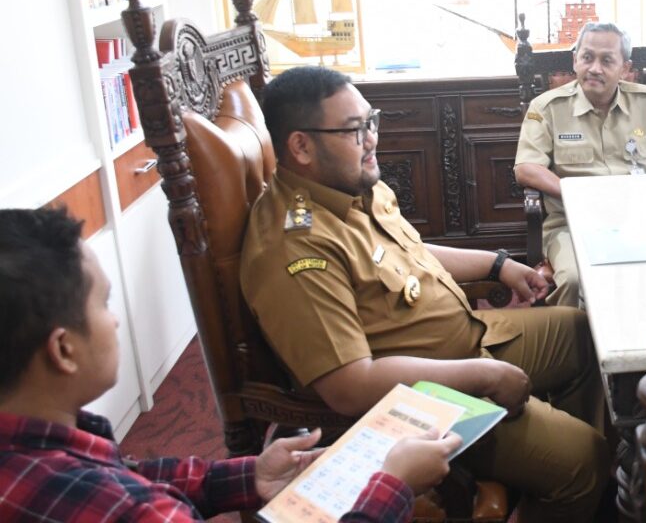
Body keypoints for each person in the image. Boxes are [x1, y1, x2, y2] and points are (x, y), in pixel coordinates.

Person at [241, 66, 609, 522]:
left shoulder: (348, 185)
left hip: (471, 339)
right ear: (301, 146)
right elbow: (349, 386)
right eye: (356, 130)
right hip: (425, 399)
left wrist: (497, 265)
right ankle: (564, 477)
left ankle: (541, 476)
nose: (372, 138)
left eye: (370, 120)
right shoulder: (295, 247)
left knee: (584, 331)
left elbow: (411, 251)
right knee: (587, 462)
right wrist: (483, 377)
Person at [0, 207, 462, 522]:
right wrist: (394, 486)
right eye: (103, 304)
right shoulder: (131, 511)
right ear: (63, 350)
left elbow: (125, 472)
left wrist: (247, 475)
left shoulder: (44, 451)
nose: (115, 320)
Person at [514, 21, 646, 307]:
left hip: (641, 219)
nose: (595, 68)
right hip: (572, 224)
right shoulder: (546, 108)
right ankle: (569, 346)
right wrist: (577, 195)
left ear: (625, 68)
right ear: (575, 60)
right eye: (587, 57)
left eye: (607, 60)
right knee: (573, 279)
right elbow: (526, 167)